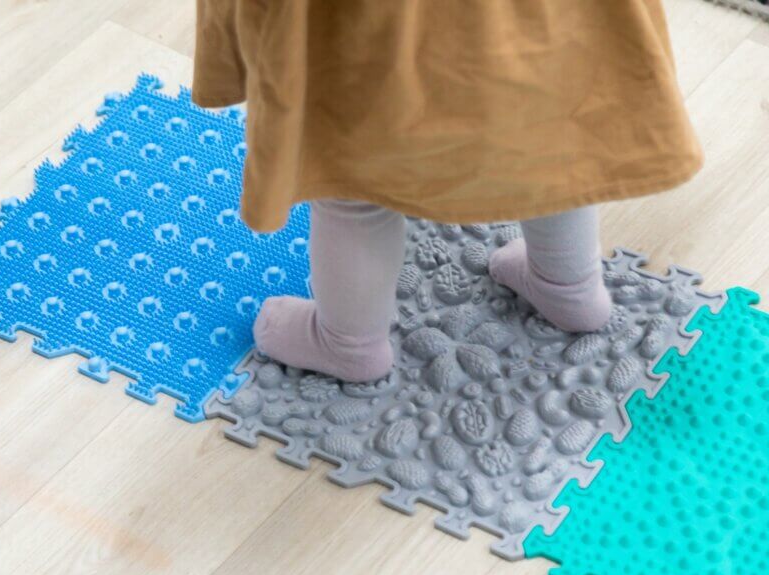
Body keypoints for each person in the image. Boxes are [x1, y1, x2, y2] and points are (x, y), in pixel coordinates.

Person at [192, 1, 703, 382]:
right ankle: (569, 286)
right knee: (557, 137)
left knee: (350, 185)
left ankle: (347, 344)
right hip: (544, 27)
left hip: (376, 37)